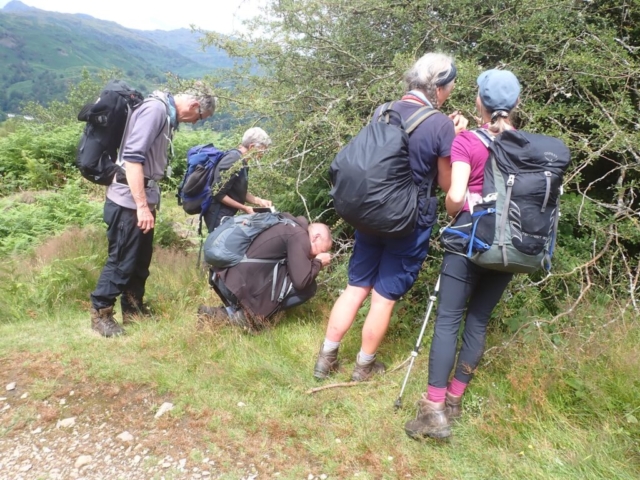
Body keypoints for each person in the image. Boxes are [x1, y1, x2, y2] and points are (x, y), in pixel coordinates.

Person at [313, 52, 468, 382]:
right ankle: (364, 367)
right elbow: (445, 183)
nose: (450, 92)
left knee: (355, 287)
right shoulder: (440, 124)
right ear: (438, 87)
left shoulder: (382, 111)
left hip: (370, 213)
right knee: (383, 298)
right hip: (409, 221)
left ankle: (325, 359)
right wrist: (452, 137)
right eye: (450, 86)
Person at [404, 69, 521, 440]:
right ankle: (455, 398)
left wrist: (460, 203)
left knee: (449, 319)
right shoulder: (528, 146)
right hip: (510, 245)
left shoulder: (467, 141)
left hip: (469, 239)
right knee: (478, 321)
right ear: (517, 105)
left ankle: (434, 411)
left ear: (478, 103)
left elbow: (454, 198)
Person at [90, 84, 217, 337]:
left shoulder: (165, 115)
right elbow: (133, 159)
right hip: (128, 201)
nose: (195, 122)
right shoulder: (156, 111)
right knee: (122, 260)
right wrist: (141, 207)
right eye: (200, 118)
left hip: (142, 199)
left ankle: (134, 310)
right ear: (194, 106)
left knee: (139, 261)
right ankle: (100, 313)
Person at [198, 214, 333, 331]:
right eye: (322, 250)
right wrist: (318, 262)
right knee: (309, 287)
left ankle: (222, 313)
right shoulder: (299, 236)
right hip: (235, 286)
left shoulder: (287, 224)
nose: (321, 254)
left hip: (225, 279)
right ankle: (246, 318)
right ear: (316, 237)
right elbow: (301, 281)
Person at [202, 127, 274, 233]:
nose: (263, 153)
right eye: (263, 149)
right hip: (218, 215)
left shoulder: (242, 161)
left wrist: (258, 201)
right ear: (252, 147)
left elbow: (237, 191)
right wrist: (245, 208)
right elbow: (217, 193)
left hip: (226, 214)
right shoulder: (233, 160)